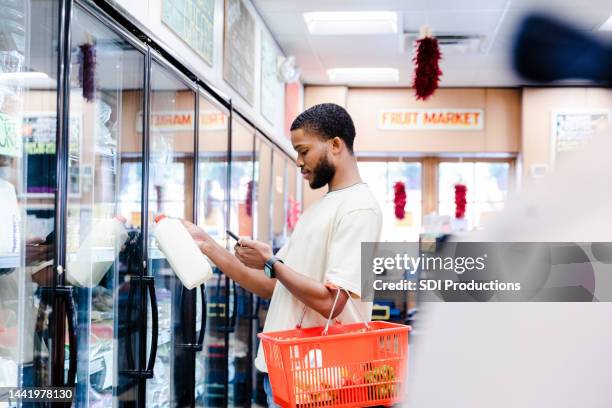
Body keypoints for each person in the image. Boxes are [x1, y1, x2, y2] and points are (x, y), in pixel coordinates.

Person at [182, 103, 382, 407]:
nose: (299, 162)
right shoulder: (321, 208)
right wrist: (206, 244)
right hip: (286, 372)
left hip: (322, 379)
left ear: (336, 145)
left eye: (304, 151)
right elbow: (270, 284)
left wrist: (272, 262)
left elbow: (333, 303)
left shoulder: (360, 209)